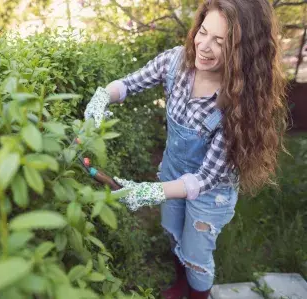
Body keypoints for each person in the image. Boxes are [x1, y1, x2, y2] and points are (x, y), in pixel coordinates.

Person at [83, 0, 288, 298]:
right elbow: (127, 85)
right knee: (173, 231)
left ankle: (197, 292)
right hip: (173, 172)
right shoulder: (175, 63)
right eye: (203, 32)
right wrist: (102, 96)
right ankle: (182, 282)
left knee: (197, 254)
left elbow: (204, 179)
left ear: (243, 52)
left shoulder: (239, 105)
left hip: (210, 194)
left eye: (220, 41)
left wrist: (149, 191)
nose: (204, 46)